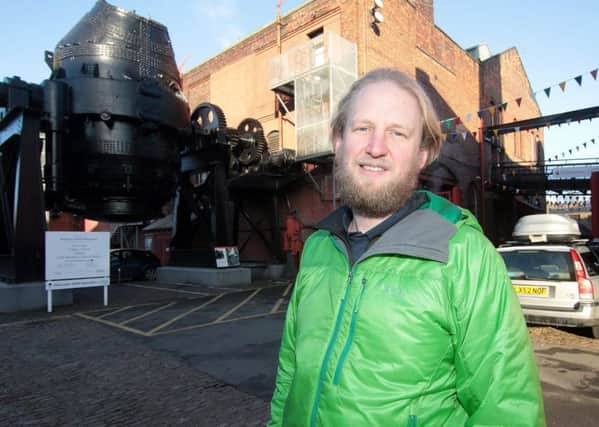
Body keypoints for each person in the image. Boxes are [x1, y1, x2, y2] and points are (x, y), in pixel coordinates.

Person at [268, 68, 545, 426]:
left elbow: (508, 409)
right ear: (338, 140)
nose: (376, 147)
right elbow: (290, 373)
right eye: (362, 128)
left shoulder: (464, 255)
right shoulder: (319, 246)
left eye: (397, 133)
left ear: (423, 154)